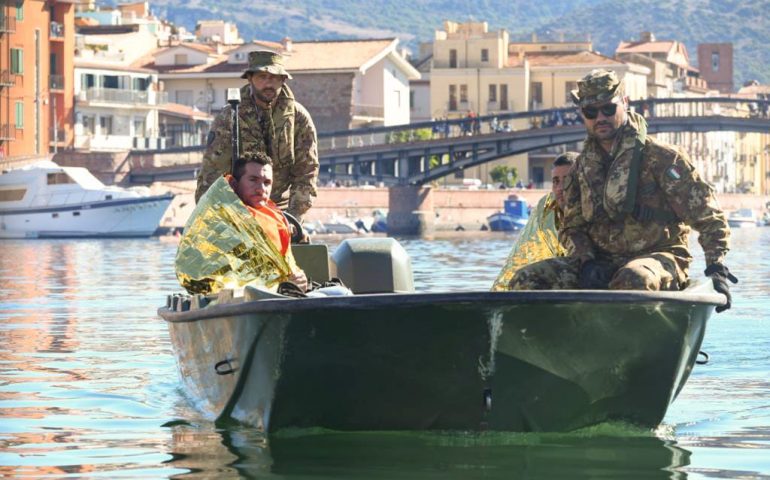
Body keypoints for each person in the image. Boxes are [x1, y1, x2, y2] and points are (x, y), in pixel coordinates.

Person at [509, 69, 737, 312]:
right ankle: (548, 343)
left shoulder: (661, 158)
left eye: (608, 109)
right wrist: (586, 262)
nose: (600, 118)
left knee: (632, 280)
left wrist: (716, 266)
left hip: (660, 257)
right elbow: (571, 227)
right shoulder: (581, 168)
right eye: (591, 112)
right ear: (583, 115)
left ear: (624, 104)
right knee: (526, 280)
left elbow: (708, 215)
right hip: (600, 263)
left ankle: (630, 342)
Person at [195, 50, 319, 223]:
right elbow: (212, 171)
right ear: (250, 79)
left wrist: (295, 216)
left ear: (283, 80)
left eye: (274, 78)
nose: (268, 83)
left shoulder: (298, 118)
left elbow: (307, 171)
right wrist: (212, 216)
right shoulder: (230, 116)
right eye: (262, 77)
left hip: (281, 210)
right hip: (237, 208)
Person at [176, 151, 307, 295]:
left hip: (279, 297)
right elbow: (204, 273)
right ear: (234, 183)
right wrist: (278, 284)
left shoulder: (276, 219)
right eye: (253, 180)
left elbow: (287, 265)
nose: (261, 189)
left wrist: (298, 278)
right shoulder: (220, 217)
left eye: (267, 183)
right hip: (235, 301)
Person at [491, 152, 578, 291]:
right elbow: (523, 257)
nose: (560, 188)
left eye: (567, 180)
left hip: (600, 272)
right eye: (556, 181)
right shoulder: (548, 208)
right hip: (574, 271)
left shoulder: (597, 207)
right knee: (523, 278)